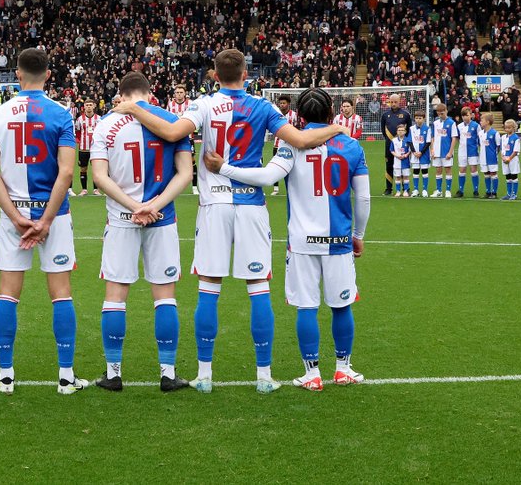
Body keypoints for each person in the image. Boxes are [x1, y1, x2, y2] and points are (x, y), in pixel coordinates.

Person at [119, 49, 346, 394]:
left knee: (209, 289)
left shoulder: (203, 104)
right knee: (258, 290)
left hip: (215, 206)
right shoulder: (263, 106)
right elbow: (300, 140)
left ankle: (205, 375)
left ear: (214, 74)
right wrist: (337, 127)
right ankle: (264, 375)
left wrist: (134, 107)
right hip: (251, 205)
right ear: (245, 73)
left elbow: (170, 132)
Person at [202, 87, 371, 391]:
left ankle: (312, 373)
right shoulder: (352, 146)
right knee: (341, 306)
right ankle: (343, 368)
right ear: (331, 113)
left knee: (307, 307)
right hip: (339, 239)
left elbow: (266, 178)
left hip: (303, 242)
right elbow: (364, 199)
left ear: (300, 117)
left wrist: (223, 168)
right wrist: (358, 235)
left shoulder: (291, 146)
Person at [0, 48, 87, 396]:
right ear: (48, 74)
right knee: (61, 294)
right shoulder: (60, 113)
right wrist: (45, 220)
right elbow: (68, 171)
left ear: (18, 74)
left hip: (15, 216)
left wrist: (15, 217)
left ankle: (6, 376)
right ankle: (66, 377)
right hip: (53, 215)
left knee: (8, 294)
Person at [89, 72, 193, 393]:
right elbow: (186, 173)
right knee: (164, 295)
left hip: (122, 219)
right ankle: (167, 372)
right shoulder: (171, 119)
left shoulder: (105, 124)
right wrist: (154, 205)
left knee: (115, 296)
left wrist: (133, 206)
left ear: (121, 94)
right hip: (162, 218)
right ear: (150, 93)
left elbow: (99, 177)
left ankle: (113, 373)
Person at [380, 94, 413, 196]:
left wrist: (403, 142)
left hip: (403, 146)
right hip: (390, 145)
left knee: (403, 167)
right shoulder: (385, 115)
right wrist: (391, 141)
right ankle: (388, 188)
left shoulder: (406, 114)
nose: (393, 104)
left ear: (400, 102)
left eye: (395, 102)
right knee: (389, 166)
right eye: (392, 102)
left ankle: (405, 189)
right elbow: (383, 130)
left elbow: (409, 130)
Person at [269, 96, 298, 195]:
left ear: (288, 104)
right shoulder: (276, 114)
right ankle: (275, 188)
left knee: (293, 167)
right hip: (277, 145)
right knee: (275, 167)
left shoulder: (294, 115)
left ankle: (292, 187)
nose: (282, 105)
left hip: (291, 145)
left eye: (284, 103)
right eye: (280, 103)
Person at [429, 104, 458, 198]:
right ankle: (439, 190)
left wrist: (450, 152)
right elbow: (432, 137)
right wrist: (432, 149)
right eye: (438, 113)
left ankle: (448, 190)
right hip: (436, 151)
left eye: (442, 113)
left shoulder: (452, 123)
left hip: (446, 151)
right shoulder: (435, 123)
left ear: (446, 111)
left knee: (448, 169)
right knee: (438, 169)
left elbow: (454, 138)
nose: (440, 115)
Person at [72, 100, 99, 196]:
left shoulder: (98, 119)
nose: (89, 107)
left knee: (96, 169)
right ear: (84, 106)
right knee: (83, 169)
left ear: (94, 106)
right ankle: (84, 189)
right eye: (87, 105)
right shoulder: (80, 119)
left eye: (90, 105)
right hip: (83, 148)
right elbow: (78, 132)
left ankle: (96, 190)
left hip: (96, 148)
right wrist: (79, 141)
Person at [455, 106, 482, 198]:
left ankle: (476, 190)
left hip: (473, 151)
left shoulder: (476, 126)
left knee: (473, 170)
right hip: (462, 151)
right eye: (463, 116)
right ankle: (461, 190)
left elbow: (480, 138)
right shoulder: (459, 126)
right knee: (462, 170)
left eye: (466, 115)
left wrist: (479, 148)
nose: (465, 117)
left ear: (471, 115)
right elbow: (458, 138)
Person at [480, 113, 500, 199]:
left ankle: (494, 192)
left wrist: (495, 154)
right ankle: (488, 191)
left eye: (482, 120)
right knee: (486, 174)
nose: (480, 122)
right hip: (483, 157)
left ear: (487, 122)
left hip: (492, 158)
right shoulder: (480, 133)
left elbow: (498, 146)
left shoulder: (495, 133)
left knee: (493, 173)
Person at [501, 119, 521, 200]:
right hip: (505, 159)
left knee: (514, 176)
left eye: (509, 128)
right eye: (506, 128)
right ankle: (508, 194)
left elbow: (515, 151)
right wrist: (503, 157)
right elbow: (502, 149)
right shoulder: (503, 137)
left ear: (513, 128)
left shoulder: (516, 138)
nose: (507, 129)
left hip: (512, 159)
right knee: (508, 176)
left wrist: (509, 158)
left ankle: (514, 194)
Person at [390, 124, 413, 197]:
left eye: (402, 130)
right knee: (398, 177)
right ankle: (398, 191)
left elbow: (410, 150)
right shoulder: (394, 140)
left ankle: (405, 191)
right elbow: (392, 150)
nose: (400, 132)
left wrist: (406, 155)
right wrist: (397, 155)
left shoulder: (408, 140)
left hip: (406, 162)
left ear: (405, 132)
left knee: (406, 176)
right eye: (399, 130)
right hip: (397, 162)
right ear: (397, 132)